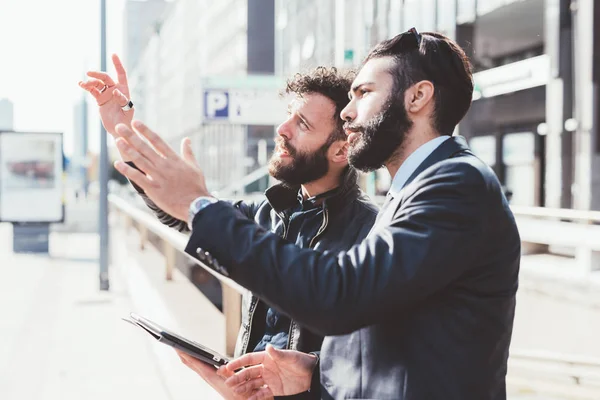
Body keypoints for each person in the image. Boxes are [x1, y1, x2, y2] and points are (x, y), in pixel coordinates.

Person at [110, 28, 521, 400]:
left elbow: (341, 295)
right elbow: (390, 335)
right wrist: (315, 372)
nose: (348, 112)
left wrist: (199, 205)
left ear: (417, 97)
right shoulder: (414, 191)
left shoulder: (454, 184)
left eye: (363, 94)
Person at [80, 59, 378, 399]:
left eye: (303, 124)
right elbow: (184, 216)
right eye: (289, 115)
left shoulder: (373, 234)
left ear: (341, 149)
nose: (282, 128)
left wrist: (313, 373)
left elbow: (380, 359)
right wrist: (124, 131)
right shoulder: (268, 212)